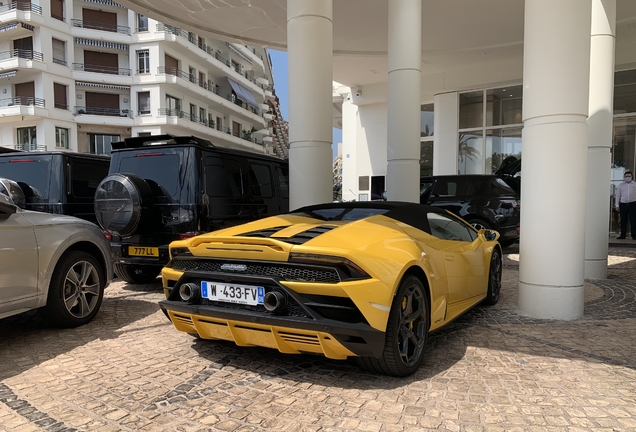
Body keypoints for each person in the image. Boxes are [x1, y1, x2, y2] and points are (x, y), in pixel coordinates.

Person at [615, 171, 636, 239]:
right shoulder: (621, 185)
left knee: (633, 220)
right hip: (623, 204)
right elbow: (618, 195)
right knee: (623, 220)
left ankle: (634, 235)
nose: (627, 178)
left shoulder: (635, 185)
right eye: (626, 176)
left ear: (632, 177)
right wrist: (617, 205)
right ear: (624, 177)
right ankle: (623, 235)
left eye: (629, 176)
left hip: (633, 204)